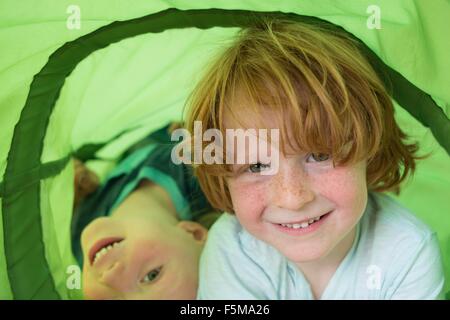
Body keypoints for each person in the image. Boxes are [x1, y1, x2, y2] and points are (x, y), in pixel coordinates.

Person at [184, 17, 445, 299]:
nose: (293, 198)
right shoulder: (235, 249)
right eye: (256, 165)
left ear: (370, 148)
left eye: (319, 155)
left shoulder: (408, 252)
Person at [71, 123, 220, 300]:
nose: (110, 277)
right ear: (193, 233)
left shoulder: (81, 238)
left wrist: (74, 185)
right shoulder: (201, 175)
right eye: (152, 275)